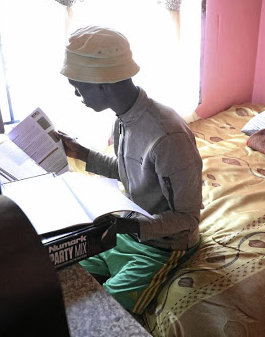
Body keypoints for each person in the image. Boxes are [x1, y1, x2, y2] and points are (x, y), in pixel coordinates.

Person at [55, 26, 203, 315]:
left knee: (102, 316)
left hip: (162, 247)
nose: (75, 94)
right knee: (64, 275)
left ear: (102, 84)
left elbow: (188, 217)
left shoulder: (167, 135)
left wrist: (129, 226)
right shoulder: (125, 117)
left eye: (78, 86)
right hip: (127, 233)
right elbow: (128, 171)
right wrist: (78, 151)